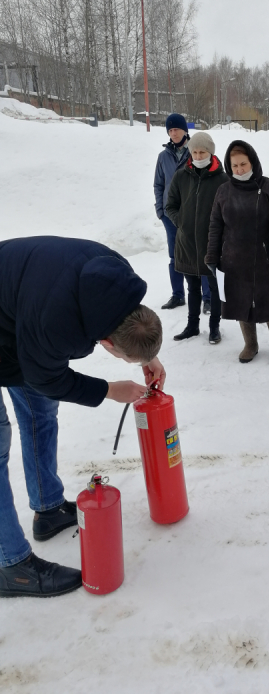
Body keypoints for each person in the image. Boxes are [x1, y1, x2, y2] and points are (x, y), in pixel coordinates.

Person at [0, 236, 165, 597]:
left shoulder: (117, 280)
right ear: (106, 343)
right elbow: (47, 377)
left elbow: (41, 372)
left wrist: (144, 355)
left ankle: (48, 510)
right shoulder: (59, 324)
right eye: (122, 355)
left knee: (40, 414)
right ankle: (10, 564)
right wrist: (107, 389)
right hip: (18, 321)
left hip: (16, 322)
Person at [205, 140, 269, 364]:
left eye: (243, 164)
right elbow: (215, 224)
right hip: (234, 259)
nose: (239, 170)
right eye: (234, 166)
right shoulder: (224, 190)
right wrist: (213, 255)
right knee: (241, 302)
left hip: (265, 258)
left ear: (252, 161)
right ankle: (251, 344)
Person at [166, 132, 228, 344]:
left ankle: (214, 327)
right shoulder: (182, 175)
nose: (198, 155)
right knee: (192, 287)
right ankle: (192, 326)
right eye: (194, 151)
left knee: (214, 287)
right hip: (187, 243)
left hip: (212, 245)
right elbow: (170, 205)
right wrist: (181, 221)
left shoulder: (223, 179)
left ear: (210, 152)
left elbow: (229, 211)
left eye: (202, 151)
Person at [153, 114, 212, 313]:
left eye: (176, 129)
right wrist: (161, 211)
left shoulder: (195, 152)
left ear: (185, 130)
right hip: (170, 215)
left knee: (202, 254)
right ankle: (178, 295)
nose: (174, 133)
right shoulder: (163, 157)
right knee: (174, 256)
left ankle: (208, 298)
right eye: (170, 130)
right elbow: (159, 184)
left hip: (193, 215)